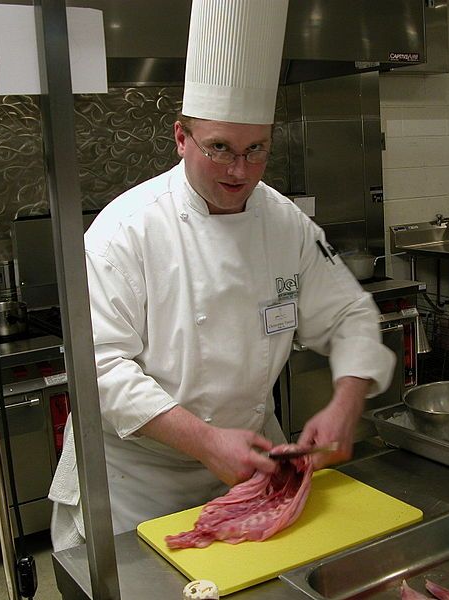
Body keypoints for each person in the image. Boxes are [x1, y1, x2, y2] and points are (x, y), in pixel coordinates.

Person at [48, 0, 395, 552]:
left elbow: (349, 313)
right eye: (220, 149)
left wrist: (345, 403)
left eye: (256, 150)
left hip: (255, 466)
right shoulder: (125, 231)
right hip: (140, 483)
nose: (241, 171)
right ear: (181, 138)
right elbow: (98, 369)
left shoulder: (283, 220)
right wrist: (205, 441)